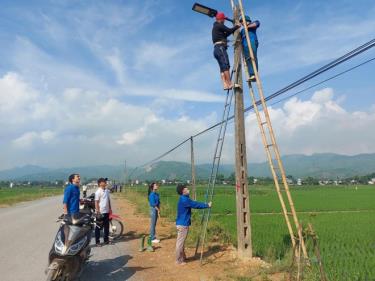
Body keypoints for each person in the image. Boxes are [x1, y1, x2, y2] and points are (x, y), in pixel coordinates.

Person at [175, 184, 212, 265]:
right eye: (186, 189)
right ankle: (178, 260)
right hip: (183, 224)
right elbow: (195, 204)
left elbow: (193, 203)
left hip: (181, 223)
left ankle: (182, 257)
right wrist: (207, 205)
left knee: (181, 242)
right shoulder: (185, 200)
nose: (188, 190)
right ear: (183, 191)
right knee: (180, 243)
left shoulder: (184, 198)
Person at [212, 12, 240, 90]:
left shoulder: (216, 27)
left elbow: (226, 33)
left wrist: (234, 29)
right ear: (221, 19)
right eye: (224, 19)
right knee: (226, 66)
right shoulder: (219, 25)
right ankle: (230, 83)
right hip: (220, 48)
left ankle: (225, 85)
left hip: (216, 49)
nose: (224, 21)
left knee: (222, 68)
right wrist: (237, 26)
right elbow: (229, 30)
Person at [240, 15, 260, 82]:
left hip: (252, 42)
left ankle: (254, 74)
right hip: (244, 45)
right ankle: (251, 74)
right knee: (247, 59)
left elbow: (257, 23)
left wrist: (247, 26)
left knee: (253, 56)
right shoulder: (242, 30)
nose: (242, 23)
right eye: (241, 22)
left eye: (242, 21)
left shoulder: (252, 25)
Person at [95, 177, 112, 246]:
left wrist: (110, 209)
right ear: (100, 183)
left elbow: (108, 200)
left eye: (105, 182)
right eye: (104, 182)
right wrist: (98, 211)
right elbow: (96, 202)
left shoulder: (107, 191)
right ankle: (97, 242)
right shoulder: (98, 192)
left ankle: (106, 240)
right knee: (98, 227)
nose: (105, 183)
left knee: (106, 227)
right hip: (100, 212)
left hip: (107, 211)